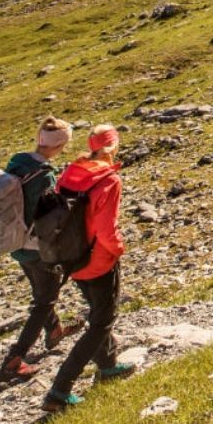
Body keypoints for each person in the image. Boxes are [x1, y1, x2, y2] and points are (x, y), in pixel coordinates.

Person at [44, 123, 133, 409]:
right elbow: (107, 229)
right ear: (114, 146)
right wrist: (119, 249)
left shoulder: (71, 173)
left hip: (71, 257)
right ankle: (60, 389)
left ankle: (107, 366)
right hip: (99, 259)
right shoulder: (108, 180)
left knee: (97, 310)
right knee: (102, 322)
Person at [0, 117, 83, 382]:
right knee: (45, 301)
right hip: (37, 247)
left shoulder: (18, 161)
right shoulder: (44, 175)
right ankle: (15, 358)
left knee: (40, 290)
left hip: (15, 242)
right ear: (60, 146)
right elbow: (46, 217)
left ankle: (55, 330)